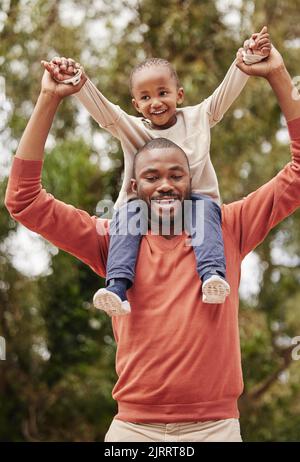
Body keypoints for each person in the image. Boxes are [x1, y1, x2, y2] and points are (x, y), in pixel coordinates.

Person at [5, 45, 300, 442]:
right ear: (133, 187)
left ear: (191, 183)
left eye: (177, 175)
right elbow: (23, 200)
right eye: (152, 176)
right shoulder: (112, 241)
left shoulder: (228, 227)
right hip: (133, 430)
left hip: (215, 428)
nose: (164, 184)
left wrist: (277, 74)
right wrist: (47, 99)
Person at [40, 28, 271, 316]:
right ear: (136, 104)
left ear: (179, 94)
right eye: (146, 97)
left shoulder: (198, 117)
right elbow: (105, 111)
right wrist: (77, 80)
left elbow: (225, 93)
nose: (156, 102)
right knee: (125, 215)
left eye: (163, 93)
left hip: (196, 204)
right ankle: (116, 287)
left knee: (205, 212)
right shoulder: (133, 129)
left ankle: (212, 275)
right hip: (146, 207)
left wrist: (248, 59)